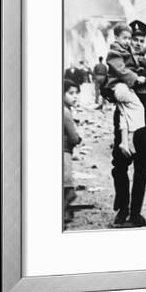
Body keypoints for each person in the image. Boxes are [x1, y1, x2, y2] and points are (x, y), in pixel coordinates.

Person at [108, 20, 146, 227]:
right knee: (120, 164)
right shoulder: (123, 56)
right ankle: (123, 208)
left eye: (140, 40)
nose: (136, 43)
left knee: (142, 165)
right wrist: (111, 91)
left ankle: (135, 212)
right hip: (123, 116)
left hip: (144, 117)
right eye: (133, 39)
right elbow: (106, 86)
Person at [105, 23, 146, 157]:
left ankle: (125, 141)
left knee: (125, 114)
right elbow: (121, 69)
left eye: (129, 38)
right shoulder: (114, 52)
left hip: (121, 87)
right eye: (125, 38)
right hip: (120, 86)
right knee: (139, 109)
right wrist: (136, 78)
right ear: (116, 37)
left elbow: (134, 61)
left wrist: (145, 61)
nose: (128, 41)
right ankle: (130, 138)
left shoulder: (125, 50)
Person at [63, 79, 82, 227]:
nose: (75, 96)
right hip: (65, 153)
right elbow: (73, 138)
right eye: (71, 93)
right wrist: (78, 138)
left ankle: (66, 213)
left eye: (76, 93)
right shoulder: (65, 112)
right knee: (68, 191)